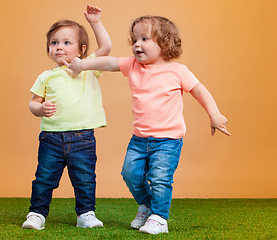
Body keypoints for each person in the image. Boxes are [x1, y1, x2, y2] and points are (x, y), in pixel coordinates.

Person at [66, 15, 231, 235]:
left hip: (168, 140)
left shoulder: (178, 71)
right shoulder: (133, 65)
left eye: (144, 39)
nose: (137, 44)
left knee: (160, 178)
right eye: (134, 40)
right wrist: (82, 65)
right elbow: (108, 62)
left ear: (165, 43)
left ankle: (160, 218)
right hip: (139, 139)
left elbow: (200, 91)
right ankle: (146, 205)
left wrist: (215, 114)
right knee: (130, 174)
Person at [22, 5, 111, 230]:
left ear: (80, 50)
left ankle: (86, 214)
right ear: (49, 49)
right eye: (54, 43)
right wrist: (39, 110)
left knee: (84, 179)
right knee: (44, 178)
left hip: (82, 138)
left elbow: (106, 47)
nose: (59, 47)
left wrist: (95, 22)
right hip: (51, 138)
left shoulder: (87, 68)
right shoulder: (45, 77)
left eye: (66, 42)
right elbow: (33, 102)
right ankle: (36, 214)